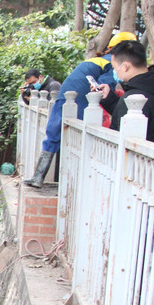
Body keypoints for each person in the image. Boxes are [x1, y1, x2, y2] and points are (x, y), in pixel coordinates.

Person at [25, 32, 137, 188]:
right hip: (80, 101)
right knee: (83, 141)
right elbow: (103, 89)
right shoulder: (111, 63)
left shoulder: (97, 60)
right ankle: (80, 183)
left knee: (53, 136)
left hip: (64, 97)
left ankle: (38, 176)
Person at [98, 40, 154, 144]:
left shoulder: (134, 95)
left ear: (125, 66)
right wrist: (109, 98)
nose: (114, 71)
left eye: (114, 67)